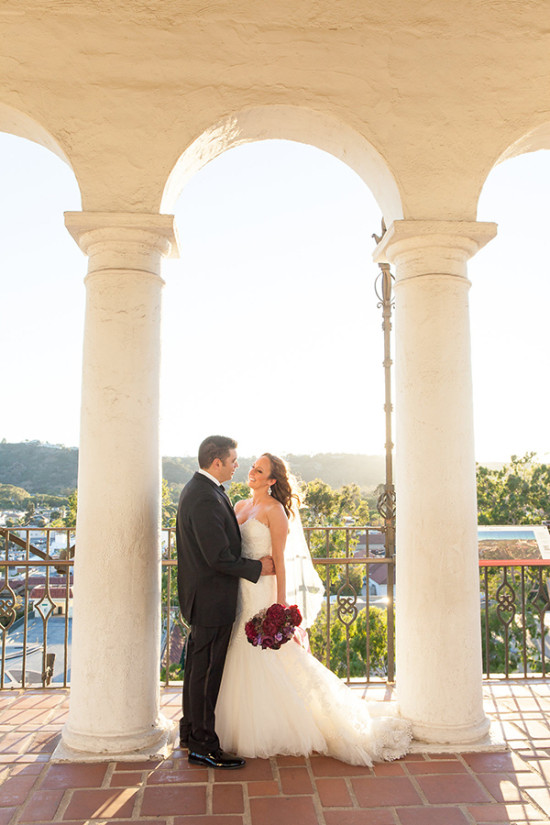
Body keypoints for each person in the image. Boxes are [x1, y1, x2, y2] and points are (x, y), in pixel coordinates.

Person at [214, 453, 412, 765]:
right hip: (241, 591)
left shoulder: (275, 511)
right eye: (252, 467)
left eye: (259, 470)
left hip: (263, 593)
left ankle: (294, 725)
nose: (251, 472)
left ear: (272, 480)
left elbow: (280, 561)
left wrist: (278, 610)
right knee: (241, 652)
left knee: (274, 656)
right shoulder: (239, 506)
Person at [176, 435, 275, 769]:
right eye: (233, 460)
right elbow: (217, 557)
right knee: (206, 673)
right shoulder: (204, 497)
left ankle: (190, 731)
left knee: (196, 668)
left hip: (204, 596)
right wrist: (257, 567)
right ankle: (203, 746)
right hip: (210, 598)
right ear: (216, 462)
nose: (237, 466)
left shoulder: (204, 490)